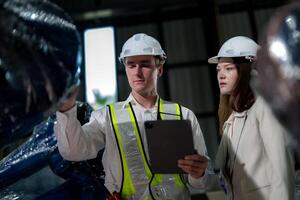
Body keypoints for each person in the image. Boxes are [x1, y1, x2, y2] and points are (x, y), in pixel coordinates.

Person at [55, 33, 210, 200]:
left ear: (159, 69)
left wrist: (199, 172)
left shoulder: (182, 115)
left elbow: (201, 182)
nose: (137, 72)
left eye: (144, 65)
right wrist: (66, 110)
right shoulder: (106, 117)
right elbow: (74, 152)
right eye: (131, 65)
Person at [208, 36, 295, 200]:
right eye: (218, 70)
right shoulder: (231, 120)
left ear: (247, 69)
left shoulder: (264, 108)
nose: (221, 75)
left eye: (229, 68)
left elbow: (282, 170)